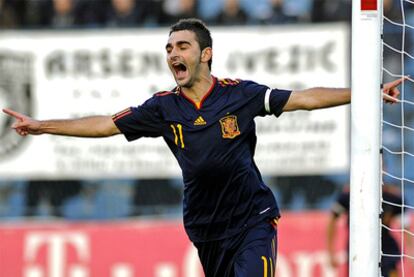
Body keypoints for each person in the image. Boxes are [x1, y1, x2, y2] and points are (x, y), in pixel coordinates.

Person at [2, 18, 403, 276]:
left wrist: (365, 91)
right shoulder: (163, 107)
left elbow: (304, 98)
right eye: (169, 48)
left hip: (253, 220)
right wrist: (43, 126)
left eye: (182, 46)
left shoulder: (240, 96)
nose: (173, 53)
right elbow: (106, 124)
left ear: (205, 54)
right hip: (206, 228)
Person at [327, 184, 405, 277]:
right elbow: (332, 221)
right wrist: (330, 251)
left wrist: (411, 251)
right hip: (357, 249)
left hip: (386, 249)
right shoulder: (349, 196)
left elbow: (406, 226)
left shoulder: (392, 197)